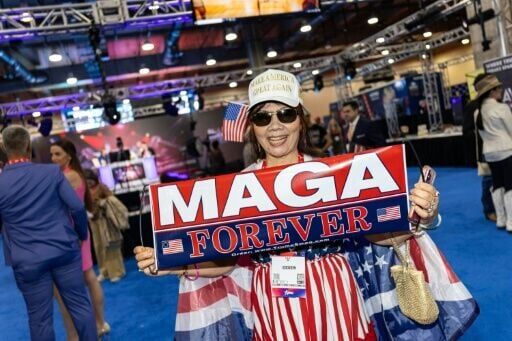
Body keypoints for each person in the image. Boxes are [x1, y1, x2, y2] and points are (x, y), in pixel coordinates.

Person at [135, 69, 455, 340]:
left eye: (285, 114)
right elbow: (228, 260)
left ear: (300, 120)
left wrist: (422, 216)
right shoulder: (238, 185)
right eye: (262, 117)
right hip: (274, 303)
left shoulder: (333, 173)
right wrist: (169, 262)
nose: (275, 126)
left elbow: (378, 234)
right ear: (252, 126)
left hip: (335, 294)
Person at [0, 126, 96, 340]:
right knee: (81, 307)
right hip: (64, 250)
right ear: (28, 146)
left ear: (5, 148)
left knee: (39, 319)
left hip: (27, 260)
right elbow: (77, 207)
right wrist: (81, 235)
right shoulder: (51, 172)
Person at [50, 139, 111, 339]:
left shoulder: (70, 176)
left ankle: (99, 323)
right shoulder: (70, 174)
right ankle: (99, 324)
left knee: (88, 278)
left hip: (75, 233)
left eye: (58, 154)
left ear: (69, 155)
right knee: (88, 277)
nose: (53, 158)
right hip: (73, 233)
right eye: (52, 154)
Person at [475, 75, 512, 232]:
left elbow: (482, 136)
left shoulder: (478, 112)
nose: (500, 90)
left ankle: (501, 220)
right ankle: (510, 221)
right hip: (506, 150)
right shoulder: (501, 108)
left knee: (497, 184)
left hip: (489, 153)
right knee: (510, 185)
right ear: (491, 91)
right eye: (498, 88)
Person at [462, 74, 496, 222]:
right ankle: (489, 210)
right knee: (488, 180)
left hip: (501, 148)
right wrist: (483, 134)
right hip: (485, 150)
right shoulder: (473, 106)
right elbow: (467, 131)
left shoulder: (497, 102)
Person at [84, 169, 126, 283]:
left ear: (94, 179)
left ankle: (117, 271)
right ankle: (104, 271)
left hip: (105, 221)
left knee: (110, 246)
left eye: (90, 181)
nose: (89, 183)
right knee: (99, 247)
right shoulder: (85, 190)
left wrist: (103, 202)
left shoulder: (102, 187)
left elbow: (113, 200)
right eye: (86, 181)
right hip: (93, 221)